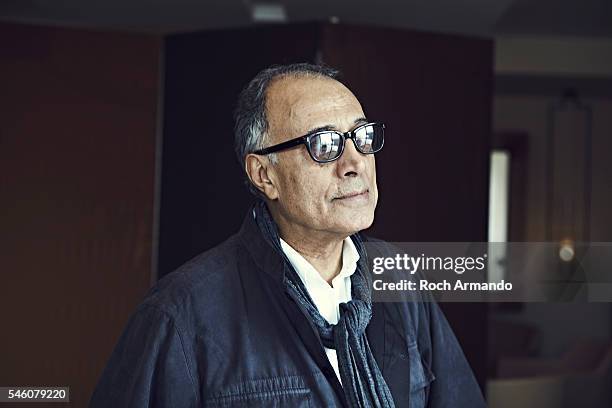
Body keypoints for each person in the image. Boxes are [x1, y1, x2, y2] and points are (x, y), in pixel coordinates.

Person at [90, 63, 485, 407]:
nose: (354, 163)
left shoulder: (400, 281)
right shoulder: (182, 313)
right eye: (324, 145)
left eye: (361, 136)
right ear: (265, 175)